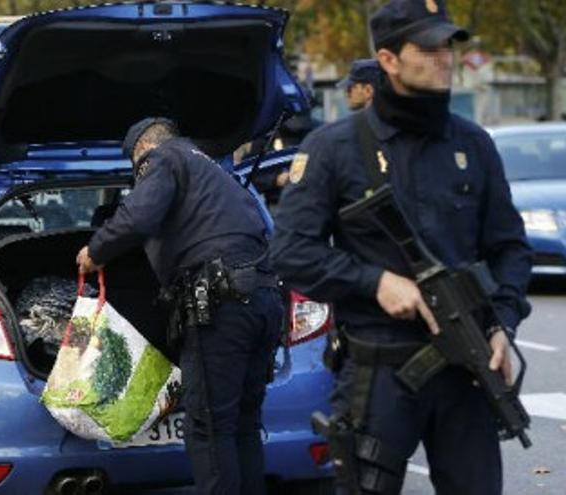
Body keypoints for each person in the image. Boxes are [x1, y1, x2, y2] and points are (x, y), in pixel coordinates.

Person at [268, 0, 532, 494]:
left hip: (466, 372)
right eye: (428, 47)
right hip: (379, 374)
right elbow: (291, 252)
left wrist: (502, 323)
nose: (443, 57)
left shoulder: (473, 144)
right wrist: (375, 282)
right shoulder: (335, 147)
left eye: (448, 46)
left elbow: (511, 249)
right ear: (388, 60)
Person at [76, 118, 282, 494]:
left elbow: (140, 215)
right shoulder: (214, 172)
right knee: (243, 423)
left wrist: (95, 250)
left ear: (142, 151)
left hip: (221, 306)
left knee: (210, 427)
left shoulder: (163, 160)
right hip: (265, 299)